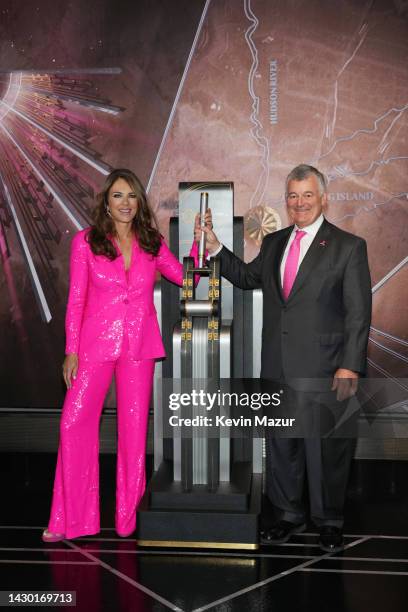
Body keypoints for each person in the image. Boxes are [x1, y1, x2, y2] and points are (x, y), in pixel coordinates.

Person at [197, 164, 372, 552]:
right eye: (293, 195)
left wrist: (350, 364)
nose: (299, 203)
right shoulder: (275, 242)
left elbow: (359, 314)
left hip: (327, 368)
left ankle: (329, 521)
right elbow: (245, 277)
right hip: (277, 365)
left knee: (326, 448)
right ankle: (289, 515)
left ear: (323, 198)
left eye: (307, 195)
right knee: (283, 445)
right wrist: (214, 246)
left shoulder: (348, 246)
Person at [43, 169, 202, 542]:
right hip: (93, 346)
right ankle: (70, 520)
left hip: (139, 347)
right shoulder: (86, 241)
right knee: (73, 424)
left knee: (134, 433)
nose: (126, 203)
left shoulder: (151, 242)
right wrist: (71, 351)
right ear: (106, 201)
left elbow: (186, 277)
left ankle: (128, 519)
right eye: (118, 196)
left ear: (139, 202)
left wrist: (198, 244)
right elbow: (77, 300)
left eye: (131, 196)